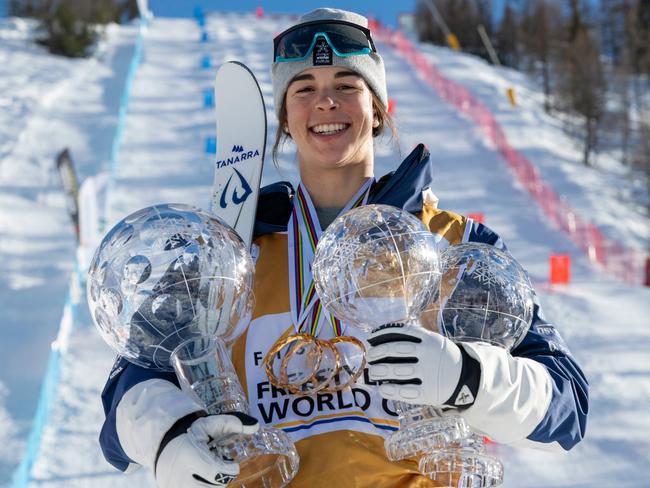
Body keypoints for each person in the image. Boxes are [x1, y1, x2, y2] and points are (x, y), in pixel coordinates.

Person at [99, 8, 588, 488]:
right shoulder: (229, 254)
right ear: (286, 118)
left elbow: (566, 407)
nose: (325, 102)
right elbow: (132, 378)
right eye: (304, 88)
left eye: (346, 86)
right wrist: (167, 435)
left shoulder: (451, 243)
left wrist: (467, 377)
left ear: (377, 107)